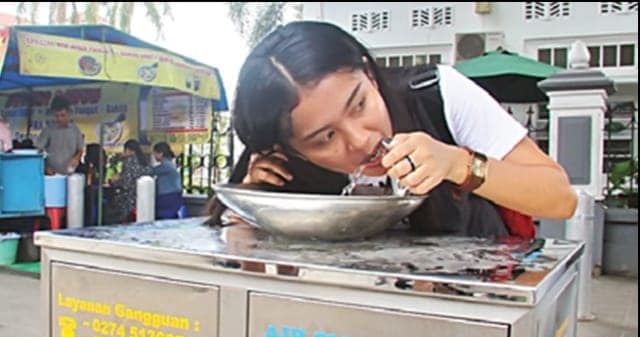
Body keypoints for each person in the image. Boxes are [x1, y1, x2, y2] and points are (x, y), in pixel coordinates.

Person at [208, 21, 577, 238]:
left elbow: (560, 198)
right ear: (291, 149)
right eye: (326, 138)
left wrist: (457, 164)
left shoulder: (438, 94)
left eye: (360, 104)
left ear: (368, 72)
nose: (362, 139)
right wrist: (255, 202)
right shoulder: (278, 162)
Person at [36, 96, 84, 175]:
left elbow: (80, 149)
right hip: (52, 174)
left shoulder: (75, 130)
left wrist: (76, 158)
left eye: (63, 115)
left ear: (69, 113)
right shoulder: (48, 130)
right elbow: (38, 151)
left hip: (70, 174)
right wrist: (45, 166)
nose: (59, 119)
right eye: (57, 116)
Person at [111, 139, 152, 222]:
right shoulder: (144, 161)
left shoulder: (129, 161)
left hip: (129, 198)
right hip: (143, 197)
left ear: (128, 150)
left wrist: (116, 180)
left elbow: (127, 183)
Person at [151, 142, 183, 219]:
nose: (154, 156)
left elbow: (150, 171)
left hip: (167, 198)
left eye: (155, 153)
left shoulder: (166, 166)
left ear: (161, 153)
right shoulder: (170, 164)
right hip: (173, 197)